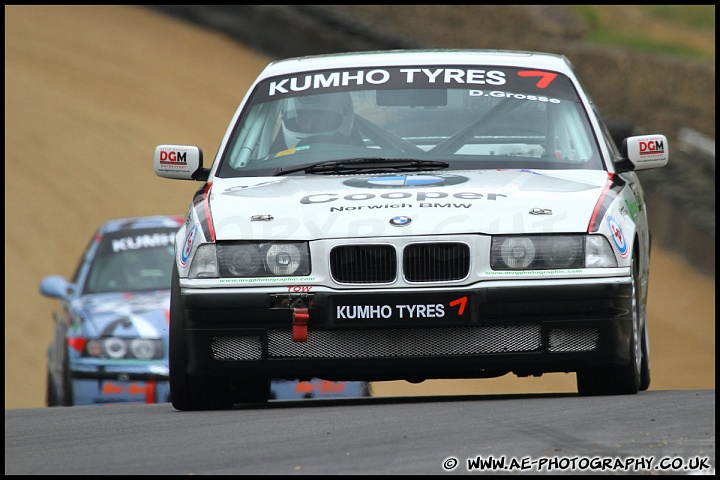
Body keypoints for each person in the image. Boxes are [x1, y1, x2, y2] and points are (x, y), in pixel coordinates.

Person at [279, 91, 363, 149]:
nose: (308, 128)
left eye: (318, 120)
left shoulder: (356, 156)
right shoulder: (274, 162)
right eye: (302, 121)